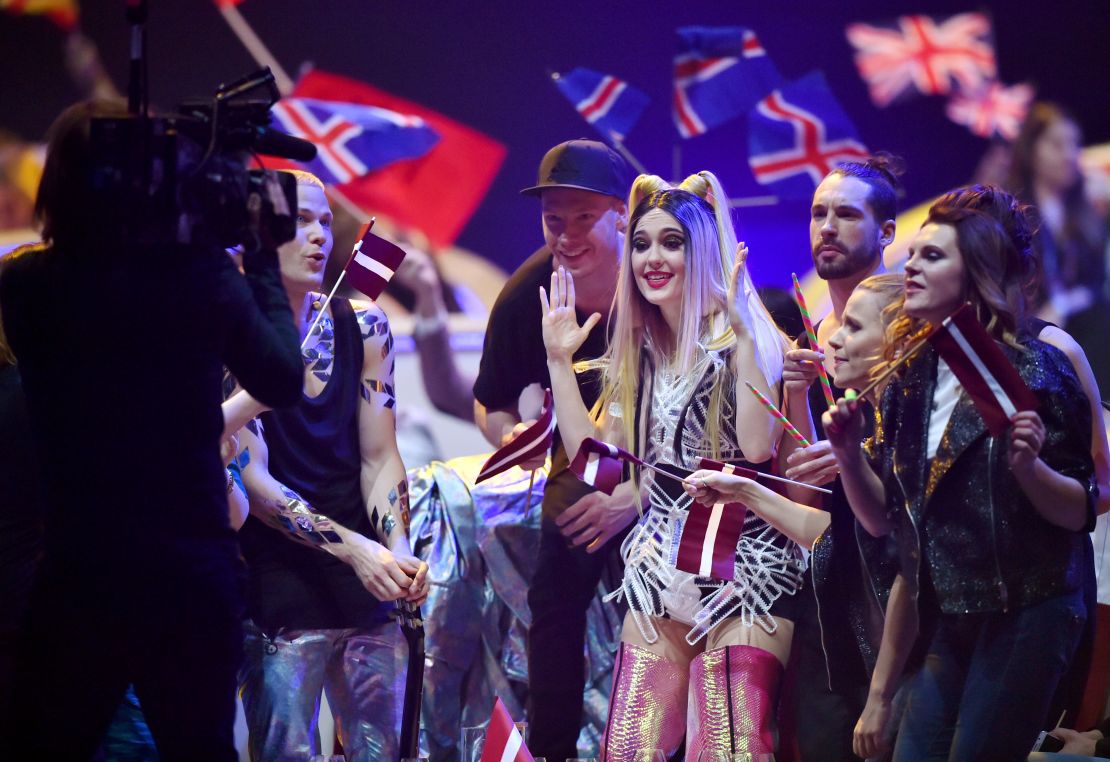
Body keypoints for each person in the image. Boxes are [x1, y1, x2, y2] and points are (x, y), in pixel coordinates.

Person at [0, 100, 304, 760]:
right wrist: (261, 256)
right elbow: (282, 380)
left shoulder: (26, 286)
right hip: (188, 571)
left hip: (80, 571)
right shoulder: (201, 281)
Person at [541, 176, 803, 758]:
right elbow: (599, 470)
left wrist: (739, 336)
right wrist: (560, 361)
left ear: (703, 250)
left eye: (672, 243)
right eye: (641, 243)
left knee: (724, 750)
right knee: (628, 751)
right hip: (662, 573)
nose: (652, 259)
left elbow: (759, 447)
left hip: (746, 576)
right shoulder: (643, 347)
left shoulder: (745, 331)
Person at [826, 203, 1096, 760]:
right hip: (950, 615)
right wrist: (849, 456)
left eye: (932, 256)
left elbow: (1082, 510)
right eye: (913, 254)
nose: (911, 268)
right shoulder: (909, 381)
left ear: (973, 273)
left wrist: (1032, 470)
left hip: (1028, 611)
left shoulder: (1039, 370)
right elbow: (888, 526)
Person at [221, 170, 428, 761]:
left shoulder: (363, 323)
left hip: (366, 575)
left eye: (321, 220)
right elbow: (253, 482)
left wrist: (399, 542)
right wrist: (357, 551)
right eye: (297, 222)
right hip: (278, 580)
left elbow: (379, 454)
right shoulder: (227, 334)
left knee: (383, 748)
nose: (318, 237)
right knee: (287, 751)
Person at [472, 139, 637, 760]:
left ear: (624, 213)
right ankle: (553, 749)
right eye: (553, 220)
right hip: (586, 459)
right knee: (557, 582)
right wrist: (513, 438)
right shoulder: (527, 293)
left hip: (672, 458)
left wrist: (639, 493)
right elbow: (490, 403)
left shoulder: (659, 276)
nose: (566, 236)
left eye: (584, 217)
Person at [776, 157, 902, 762]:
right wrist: (797, 392)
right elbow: (801, 492)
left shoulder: (916, 334)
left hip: (899, 582)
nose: (826, 226)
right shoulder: (804, 343)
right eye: (818, 212)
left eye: (846, 213)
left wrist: (857, 457)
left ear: (887, 231)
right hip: (826, 588)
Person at [1008, 102, 1110, 392]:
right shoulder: (1013, 210)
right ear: (1032, 149)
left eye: (1074, 145)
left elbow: (1093, 284)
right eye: (1057, 145)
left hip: (1083, 319)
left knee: (1102, 318)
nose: (1069, 156)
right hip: (1032, 326)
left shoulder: (1086, 207)